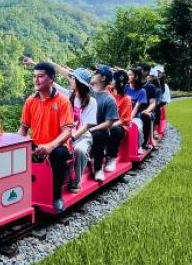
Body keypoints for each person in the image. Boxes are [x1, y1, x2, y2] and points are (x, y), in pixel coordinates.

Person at [19, 60, 74, 213]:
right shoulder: (30, 101)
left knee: (58, 154)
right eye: (34, 76)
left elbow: (67, 131)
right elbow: (23, 128)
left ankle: (56, 196)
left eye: (40, 76)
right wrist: (17, 144)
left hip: (58, 145)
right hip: (36, 144)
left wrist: (50, 146)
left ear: (51, 79)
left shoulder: (63, 101)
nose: (36, 80)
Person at [47, 64, 97, 193]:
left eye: (74, 79)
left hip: (82, 136)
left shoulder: (92, 102)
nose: (71, 81)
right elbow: (53, 85)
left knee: (80, 150)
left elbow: (87, 125)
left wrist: (73, 137)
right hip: (66, 134)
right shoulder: (70, 95)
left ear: (80, 83)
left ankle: (77, 181)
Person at [88, 66, 119, 180]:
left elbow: (109, 123)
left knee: (99, 135)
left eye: (96, 73)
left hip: (99, 130)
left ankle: (98, 169)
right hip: (85, 126)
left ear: (103, 78)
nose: (93, 75)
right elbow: (71, 77)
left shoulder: (109, 100)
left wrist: (92, 129)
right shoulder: (90, 91)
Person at [107, 69, 132, 171]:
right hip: (107, 122)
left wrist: (110, 125)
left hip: (120, 126)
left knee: (115, 130)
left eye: (113, 79)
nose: (111, 81)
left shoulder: (126, 99)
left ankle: (112, 158)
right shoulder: (109, 91)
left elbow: (124, 120)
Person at [125, 67, 148, 154]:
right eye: (127, 75)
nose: (128, 76)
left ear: (136, 77)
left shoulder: (142, 91)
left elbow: (137, 107)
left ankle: (140, 145)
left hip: (134, 115)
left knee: (137, 126)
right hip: (122, 115)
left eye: (130, 75)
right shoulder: (124, 87)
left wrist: (129, 119)